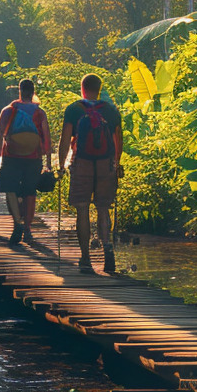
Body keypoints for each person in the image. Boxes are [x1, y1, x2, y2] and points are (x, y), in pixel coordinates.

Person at [58, 73, 123, 273]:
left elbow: (65, 139)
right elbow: (118, 140)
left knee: (83, 209)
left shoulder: (74, 109)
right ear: (99, 88)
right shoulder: (111, 110)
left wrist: (61, 166)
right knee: (103, 208)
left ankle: (86, 257)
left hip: (82, 164)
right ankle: (108, 251)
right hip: (105, 165)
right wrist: (116, 163)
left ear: (82, 88)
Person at [0, 78, 52, 245]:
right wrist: (48, 161)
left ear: (19, 91)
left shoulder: (8, 111)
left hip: (11, 156)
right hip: (34, 158)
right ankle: (27, 229)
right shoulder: (40, 113)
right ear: (33, 92)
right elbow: (46, 138)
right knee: (29, 193)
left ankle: (17, 222)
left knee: (10, 190)